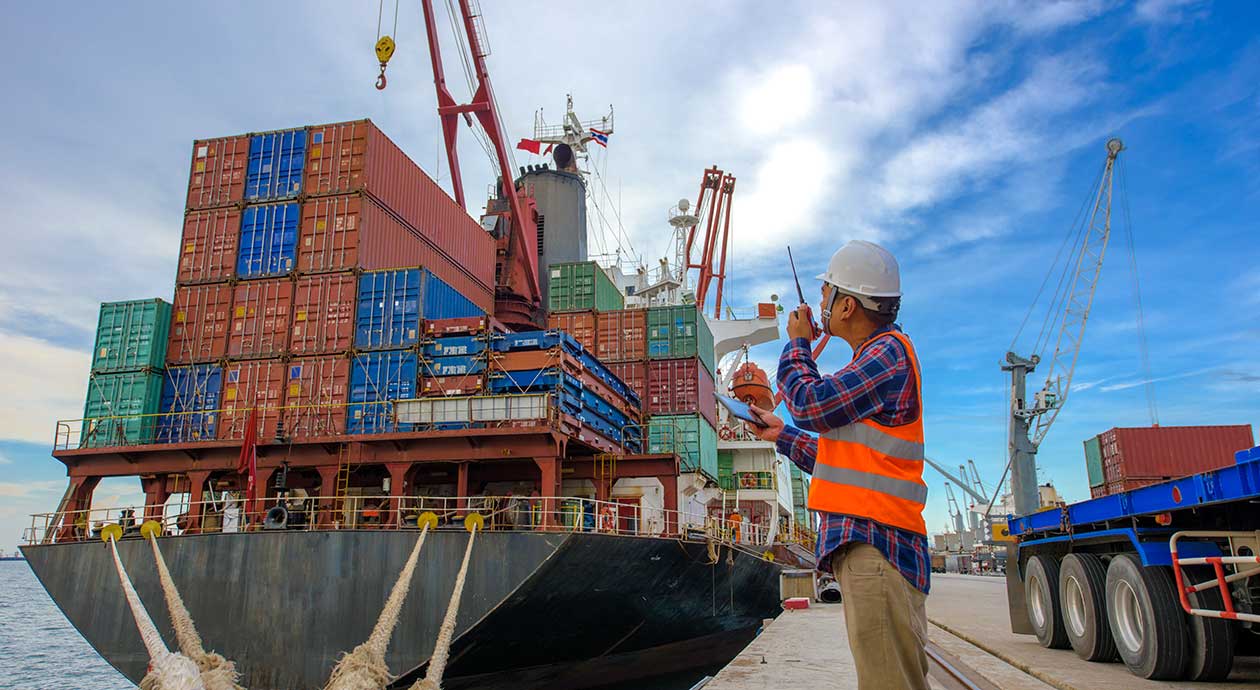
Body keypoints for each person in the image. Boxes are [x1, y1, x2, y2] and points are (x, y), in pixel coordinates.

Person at [746, 240, 930, 690]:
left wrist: (798, 344)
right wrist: (780, 435)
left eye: (826, 293)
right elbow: (843, 456)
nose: (819, 303)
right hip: (874, 544)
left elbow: (810, 404)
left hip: (879, 545)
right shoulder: (875, 359)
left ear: (848, 306)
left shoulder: (888, 353)